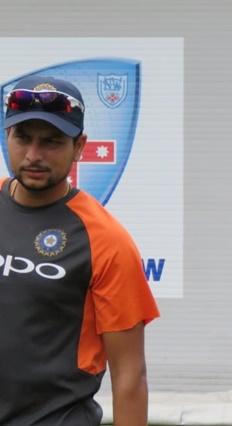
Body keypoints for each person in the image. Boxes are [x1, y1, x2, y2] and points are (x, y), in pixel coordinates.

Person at [0, 75, 159, 425]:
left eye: (52, 142)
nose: (33, 155)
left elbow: (130, 375)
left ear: (80, 145)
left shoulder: (107, 241)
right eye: (23, 138)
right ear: (6, 136)